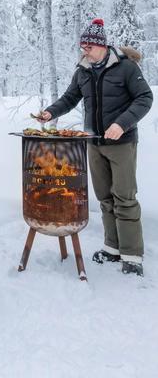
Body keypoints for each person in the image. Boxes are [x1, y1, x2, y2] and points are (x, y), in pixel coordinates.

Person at [36, 18, 153, 276]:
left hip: (121, 143)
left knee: (124, 197)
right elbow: (69, 97)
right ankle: (112, 248)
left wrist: (122, 124)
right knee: (105, 198)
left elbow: (145, 98)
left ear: (101, 45)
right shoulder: (83, 70)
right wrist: (49, 112)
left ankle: (132, 255)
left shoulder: (125, 67)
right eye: (82, 46)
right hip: (94, 142)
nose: (84, 50)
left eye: (88, 46)